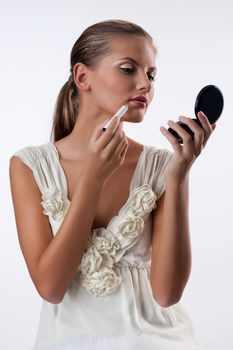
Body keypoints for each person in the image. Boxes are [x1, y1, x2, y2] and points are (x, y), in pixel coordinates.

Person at [9, 19, 216, 350]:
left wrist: (178, 176)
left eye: (151, 75)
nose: (145, 84)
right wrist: (93, 179)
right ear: (82, 77)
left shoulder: (161, 165)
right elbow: (51, 287)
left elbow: (167, 294)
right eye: (128, 69)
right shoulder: (30, 166)